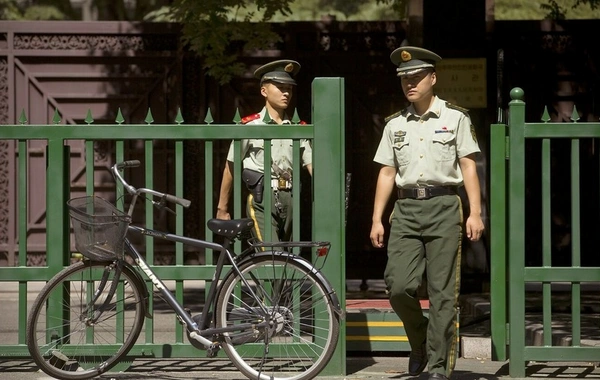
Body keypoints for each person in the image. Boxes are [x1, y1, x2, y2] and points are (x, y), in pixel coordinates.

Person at [369, 46, 485, 380]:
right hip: (405, 209)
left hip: (445, 207)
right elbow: (387, 172)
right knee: (398, 286)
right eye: (405, 78)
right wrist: (377, 218)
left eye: (417, 76)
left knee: (442, 293)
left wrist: (474, 213)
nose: (410, 83)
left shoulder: (456, 117)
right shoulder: (395, 124)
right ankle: (419, 337)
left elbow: (468, 165)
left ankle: (438, 367)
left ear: (433, 78)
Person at [216, 59, 313, 242]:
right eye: (280, 87)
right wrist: (222, 208)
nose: (286, 93)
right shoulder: (251, 126)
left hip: (292, 198)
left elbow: (312, 166)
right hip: (262, 197)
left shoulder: (297, 128)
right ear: (264, 91)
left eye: (289, 88)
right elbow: (231, 167)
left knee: (287, 260)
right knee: (271, 254)